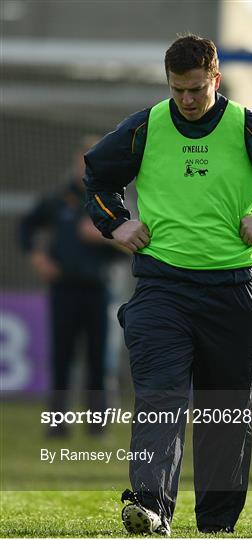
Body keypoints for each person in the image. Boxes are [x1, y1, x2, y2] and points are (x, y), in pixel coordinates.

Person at [83, 35, 252, 535]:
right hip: (161, 287)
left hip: (233, 290)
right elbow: (96, 175)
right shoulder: (145, 128)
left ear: (215, 79)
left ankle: (216, 523)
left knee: (226, 409)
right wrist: (116, 223)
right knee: (159, 394)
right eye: (178, 91)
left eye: (196, 89)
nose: (187, 101)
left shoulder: (251, 130)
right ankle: (149, 505)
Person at [20, 136, 123, 436]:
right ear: (77, 161)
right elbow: (27, 227)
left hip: (100, 291)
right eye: (84, 159)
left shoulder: (112, 201)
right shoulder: (57, 199)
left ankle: (98, 427)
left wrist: (104, 235)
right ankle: (56, 425)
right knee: (61, 357)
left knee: (99, 359)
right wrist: (38, 257)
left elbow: (132, 245)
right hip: (63, 289)